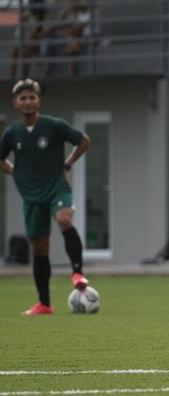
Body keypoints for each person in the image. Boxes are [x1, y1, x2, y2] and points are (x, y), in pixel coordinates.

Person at [0, 79, 91, 315]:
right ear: (15, 103)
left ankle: (77, 273)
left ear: (39, 101)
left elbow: (83, 141)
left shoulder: (54, 126)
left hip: (56, 188)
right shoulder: (12, 133)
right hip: (31, 196)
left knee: (64, 220)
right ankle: (45, 304)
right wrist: (15, 172)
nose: (28, 102)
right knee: (39, 250)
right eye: (23, 98)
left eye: (32, 97)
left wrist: (68, 163)